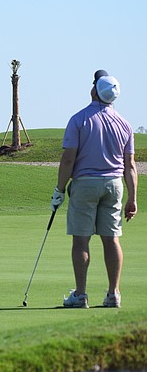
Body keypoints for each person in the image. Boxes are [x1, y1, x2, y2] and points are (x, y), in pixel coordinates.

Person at [52, 70, 137, 308]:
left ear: (94, 91)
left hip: (85, 183)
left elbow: (68, 159)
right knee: (112, 240)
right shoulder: (125, 124)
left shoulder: (79, 119)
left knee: (81, 240)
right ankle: (114, 294)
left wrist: (59, 190)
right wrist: (133, 198)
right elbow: (130, 165)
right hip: (114, 185)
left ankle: (80, 295)